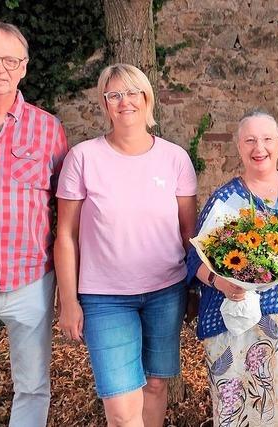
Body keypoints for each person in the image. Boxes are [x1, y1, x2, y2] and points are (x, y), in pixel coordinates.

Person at [54, 63, 197, 427]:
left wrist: (198, 288)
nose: (124, 102)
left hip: (166, 291)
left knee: (155, 386)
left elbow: (189, 233)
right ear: (105, 103)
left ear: (147, 98)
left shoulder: (175, 158)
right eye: (114, 95)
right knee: (120, 409)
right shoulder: (83, 158)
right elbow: (66, 236)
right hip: (104, 298)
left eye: (132, 93)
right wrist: (68, 301)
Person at [186, 109, 278, 426]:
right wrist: (223, 284)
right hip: (239, 329)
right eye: (250, 140)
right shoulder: (224, 199)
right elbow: (195, 259)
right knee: (247, 412)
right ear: (239, 147)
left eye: (267, 139)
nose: (259, 148)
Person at [0, 19, 68, 427]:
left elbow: (64, 209)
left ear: (23, 67)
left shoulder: (49, 129)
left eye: (10, 60)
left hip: (29, 282)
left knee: (34, 386)